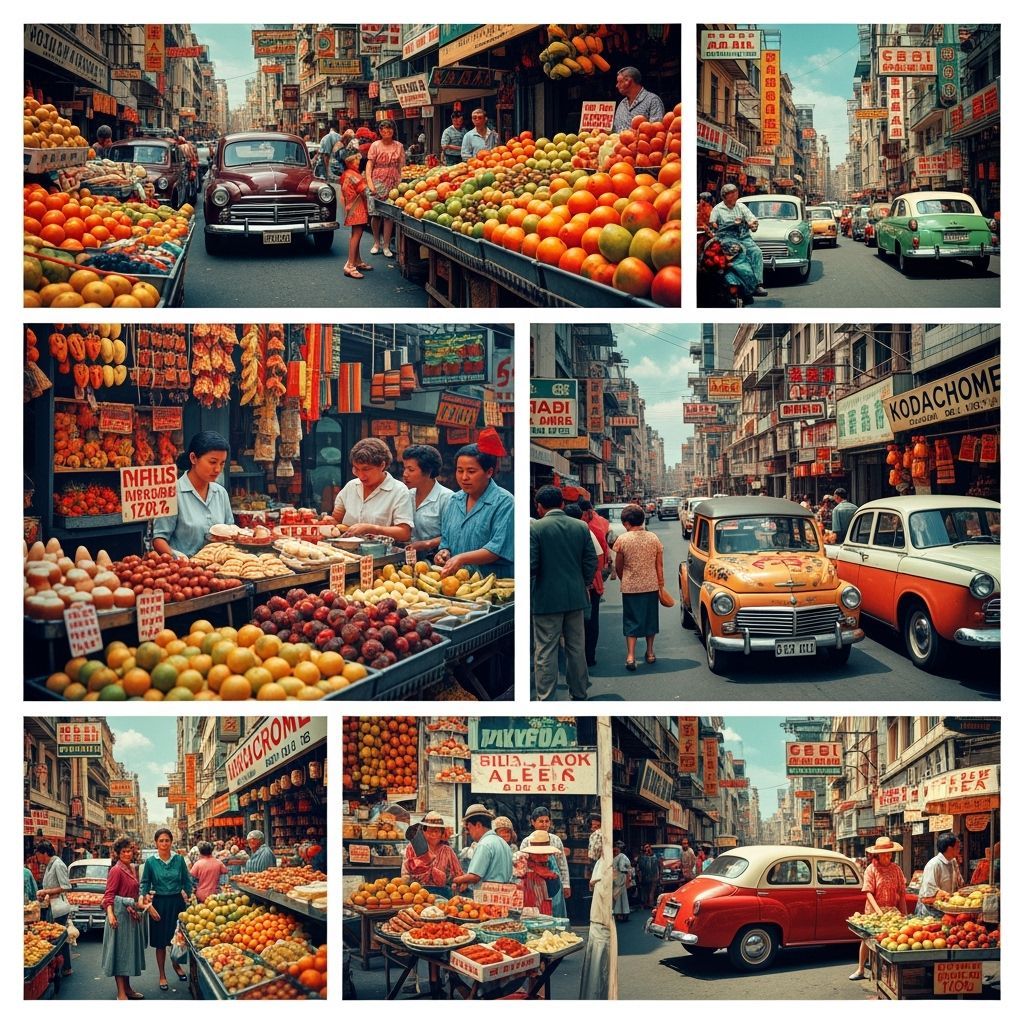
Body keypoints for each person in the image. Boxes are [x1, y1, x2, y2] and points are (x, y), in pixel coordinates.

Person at [531, 485, 598, 701]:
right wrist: (583, 583)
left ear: (539, 507)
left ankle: (547, 697)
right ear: (562, 504)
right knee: (576, 648)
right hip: (576, 597)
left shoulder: (535, 529)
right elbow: (591, 561)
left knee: (546, 650)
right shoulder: (580, 526)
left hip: (546, 599)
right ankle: (579, 693)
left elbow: (531, 565)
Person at [435, 432, 514, 578]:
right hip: (456, 583)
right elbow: (445, 540)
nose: (464, 477)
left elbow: (497, 549)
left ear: (489, 472)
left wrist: (461, 558)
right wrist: (444, 552)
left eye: (471, 471)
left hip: (492, 584)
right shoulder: (454, 500)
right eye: (460, 471)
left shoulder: (505, 503)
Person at [152, 431, 233, 559]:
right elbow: (159, 539)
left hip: (219, 570)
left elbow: (230, 532)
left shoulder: (221, 493)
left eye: (222, 463)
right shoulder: (172, 493)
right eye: (212, 462)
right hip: (186, 573)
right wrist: (177, 559)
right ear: (193, 458)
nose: (218, 469)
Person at [612, 504, 665, 670]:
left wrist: (624, 578)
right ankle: (650, 653)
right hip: (651, 585)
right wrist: (660, 582)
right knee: (650, 619)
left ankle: (630, 656)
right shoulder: (653, 538)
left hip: (630, 587)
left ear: (627, 523)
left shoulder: (622, 539)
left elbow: (618, 565)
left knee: (631, 620)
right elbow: (660, 564)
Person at [332, 437, 415, 543]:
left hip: (381, 554)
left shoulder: (399, 491)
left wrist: (372, 529)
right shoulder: (351, 486)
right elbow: (337, 520)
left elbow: (404, 533)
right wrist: (327, 522)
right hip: (346, 553)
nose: (361, 475)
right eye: (356, 469)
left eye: (366, 469)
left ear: (382, 465)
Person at [141, 827, 192, 990]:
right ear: (156, 843)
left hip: (177, 903)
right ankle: (162, 974)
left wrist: (189, 895)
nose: (164, 843)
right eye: (161, 840)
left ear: (171, 842)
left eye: (167, 840)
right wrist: (146, 900)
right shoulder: (150, 862)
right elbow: (145, 883)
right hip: (159, 904)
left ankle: (176, 964)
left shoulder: (179, 859)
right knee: (161, 942)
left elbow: (187, 880)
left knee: (177, 939)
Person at [102, 837, 153, 1000]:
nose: (126, 854)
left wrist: (143, 901)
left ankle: (128, 989)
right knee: (120, 955)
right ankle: (121, 993)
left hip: (132, 916)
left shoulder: (133, 868)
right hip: (119, 917)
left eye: (129, 850)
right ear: (117, 854)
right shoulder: (116, 870)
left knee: (128, 955)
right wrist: (110, 915)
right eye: (123, 851)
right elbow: (108, 896)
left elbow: (136, 892)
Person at [850, 837, 908, 979]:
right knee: (867, 939)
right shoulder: (871, 869)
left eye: (890, 853)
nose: (888, 856)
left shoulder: (896, 869)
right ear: (878, 855)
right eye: (885, 854)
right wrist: (878, 911)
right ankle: (861, 969)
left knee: (890, 940)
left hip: (892, 912)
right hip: (874, 912)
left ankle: (886, 974)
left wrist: (904, 914)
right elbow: (868, 892)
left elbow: (901, 893)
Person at [708, 183, 767, 297]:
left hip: (743, 237)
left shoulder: (741, 207)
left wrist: (753, 224)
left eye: (735, 194)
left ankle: (758, 284)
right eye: (732, 195)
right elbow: (712, 223)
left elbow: (752, 219)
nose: (735, 197)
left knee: (756, 252)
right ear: (724, 196)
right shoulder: (717, 209)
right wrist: (716, 226)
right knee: (736, 255)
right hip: (726, 238)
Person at [402, 444, 454, 556]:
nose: (405, 474)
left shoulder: (447, 498)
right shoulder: (407, 495)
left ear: (428, 471)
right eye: (404, 468)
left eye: (410, 469)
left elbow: (453, 535)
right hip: (407, 557)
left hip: (436, 559)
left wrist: (426, 544)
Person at [579, 499, 613, 667]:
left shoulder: (589, 528)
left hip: (588, 581)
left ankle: (586, 657)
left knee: (587, 620)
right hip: (591, 580)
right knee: (590, 619)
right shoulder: (597, 523)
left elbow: (597, 559)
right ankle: (587, 656)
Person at [365, 121, 405, 258]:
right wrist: (370, 184)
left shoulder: (399, 146)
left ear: (393, 131)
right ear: (380, 132)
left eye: (390, 129)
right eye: (384, 130)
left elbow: (401, 167)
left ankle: (386, 245)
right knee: (376, 215)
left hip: (393, 183)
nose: (387, 132)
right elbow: (369, 166)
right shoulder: (375, 146)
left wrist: (400, 184)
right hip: (377, 182)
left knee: (389, 215)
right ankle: (376, 242)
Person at [523, 806, 571, 917]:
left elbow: (562, 864)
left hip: (555, 883)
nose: (544, 824)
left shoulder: (556, 840)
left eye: (547, 821)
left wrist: (566, 884)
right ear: (533, 822)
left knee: (556, 912)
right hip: (534, 884)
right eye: (541, 821)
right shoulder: (527, 841)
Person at [401, 811, 461, 898]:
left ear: (441, 833)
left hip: (443, 896)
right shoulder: (412, 848)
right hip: (417, 895)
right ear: (423, 832)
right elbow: (405, 873)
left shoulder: (447, 851)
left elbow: (457, 875)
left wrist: (455, 884)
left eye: (437, 831)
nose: (433, 834)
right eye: (430, 831)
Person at [451, 804, 513, 888]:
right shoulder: (503, 843)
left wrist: (455, 880)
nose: (468, 832)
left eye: (469, 828)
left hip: (488, 895)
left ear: (478, 825)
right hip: (504, 894)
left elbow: (475, 876)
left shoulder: (485, 844)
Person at [35, 840, 72, 968]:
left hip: (60, 906)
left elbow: (66, 886)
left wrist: (46, 891)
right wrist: (44, 895)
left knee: (59, 937)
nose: (37, 858)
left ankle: (64, 967)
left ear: (44, 853)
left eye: (38, 854)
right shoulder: (50, 865)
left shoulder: (58, 864)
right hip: (52, 905)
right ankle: (62, 966)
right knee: (59, 937)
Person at [338, 149, 371, 278]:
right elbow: (364, 191)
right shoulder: (356, 176)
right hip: (357, 208)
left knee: (356, 233)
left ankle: (357, 260)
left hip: (349, 206)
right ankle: (350, 265)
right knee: (356, 234)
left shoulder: (346, 174)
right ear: (350, 161)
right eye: (356, 160)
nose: (358, 162)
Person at [916, 833, 964, 917]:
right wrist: (945, 897)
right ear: (949, 849)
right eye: (957, 847)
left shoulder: (953, 861)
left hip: (946, 912)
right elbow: (925, 898)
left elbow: (959, 885)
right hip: (931, 915)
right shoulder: (934, 865)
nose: (960, 849)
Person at [518, 830, 562, 915]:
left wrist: (551, 877)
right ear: (532, 854)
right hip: (525, 909)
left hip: (543, 908)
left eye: (546, 854)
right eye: (542, 854)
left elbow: (553, 892)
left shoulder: (549, 864)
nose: (546, 857)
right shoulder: (521, 863)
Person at [611, 66, 665, 133]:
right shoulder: (622, 104)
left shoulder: (653, 100)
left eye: (619, 82)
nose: (617, 85)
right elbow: (615, 131)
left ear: (628, 81)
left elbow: (657, 131)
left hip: (641, 143)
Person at [612, 841, 633, 921]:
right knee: (617, 896)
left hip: (619, 877)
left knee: (620, 896)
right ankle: (619, 913)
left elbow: (623, 867)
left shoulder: (622, 856)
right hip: (615, 878)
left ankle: (622, 912)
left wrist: (626, 871)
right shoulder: (613, 856)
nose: (615, 852)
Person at [636, 844, 660, 909]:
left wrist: (659, 875)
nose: (647, 849)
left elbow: (659, 865)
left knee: (652, 891)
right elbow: (639, 867)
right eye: (645, 848)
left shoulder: (655, 856)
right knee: (645, 891)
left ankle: (651, 903)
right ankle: (645, 903)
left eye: (648, 847)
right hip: (645, 876)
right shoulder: (642, 857)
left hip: (654, 876)